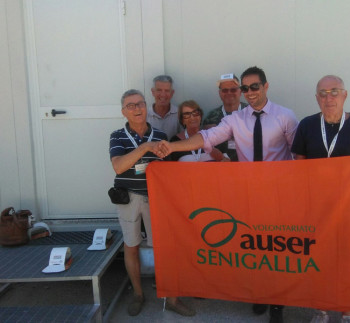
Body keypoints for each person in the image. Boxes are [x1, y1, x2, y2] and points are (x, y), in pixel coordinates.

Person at [155, 66, 299, 323]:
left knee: (276, 247)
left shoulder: (285, 117)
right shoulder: (235, 119)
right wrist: (173, 146)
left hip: (277, 193)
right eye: (246, 88)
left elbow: (298, 156)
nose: (250, 92)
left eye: (254, 86)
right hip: (247, 193)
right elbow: (207, 138)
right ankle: (259, 295)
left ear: (266, 86)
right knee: (254, 245)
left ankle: (277, 303)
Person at [291, 75, 350, 323]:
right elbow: (299, 167)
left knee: (348, 261)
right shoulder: (307, 125)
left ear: (345, 95)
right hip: (316, 208)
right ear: (316, 98)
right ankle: (321, 309)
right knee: (318, 258)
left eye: (334, 91)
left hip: (349, 208)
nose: (328, 97)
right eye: (322, 93)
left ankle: (347, 311)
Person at [109, 89, 195, 317]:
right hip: (128, 198)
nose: (137, 109)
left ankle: (172, 298)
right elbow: (118, 166)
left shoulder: (160, 135)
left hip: (156, 199)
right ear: (123, 112)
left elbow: (169, 171)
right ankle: (138, 294)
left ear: (147, 107)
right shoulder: (117, 136)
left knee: (165, 249)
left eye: (140, 104)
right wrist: (145, 148)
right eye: (131, 106)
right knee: (131, 245)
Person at [202, 73, 248, 161]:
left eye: (233, 89)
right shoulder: (211, 117)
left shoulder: (251, 113)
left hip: (248, 165)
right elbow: (208, 144)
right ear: (220, 93)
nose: (229, 93)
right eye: (225, 90)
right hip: (221, 166)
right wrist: (221, 158)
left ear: (240, 91)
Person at [147, 75, 183, 140]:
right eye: (159, 90)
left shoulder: (179, 113)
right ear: (153, 92)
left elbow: (185, 138)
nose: (163, 94)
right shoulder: (145, 115)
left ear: (172, 93)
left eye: (167, 91)